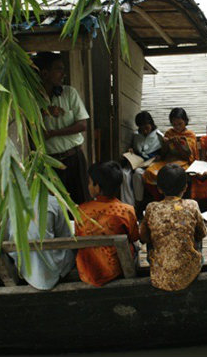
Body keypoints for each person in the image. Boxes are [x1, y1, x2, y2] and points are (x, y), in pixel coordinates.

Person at [140, 164, 207, 291]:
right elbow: (202, 233)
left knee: (151, 235)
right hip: (190, 271)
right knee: (196, 234)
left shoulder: (151, 207)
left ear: (159, 189)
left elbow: (143, 237)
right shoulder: (192, 205)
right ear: (185, 187)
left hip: (159, 273)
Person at [35, 51, 90, 204]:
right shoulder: (33, 98)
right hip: (50, 162)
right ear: (45, 73)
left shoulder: (69, 93)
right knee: (57, 206)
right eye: (59, 69)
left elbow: (82, 125)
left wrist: (53, 133)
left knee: (82, 202)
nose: (63, 74)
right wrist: (43, 113)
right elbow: (25, 124)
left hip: (74, 158)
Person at [76, 161, 140, 287]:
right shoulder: (126, 210)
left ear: (97, 187)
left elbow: (79, 235)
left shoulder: (81, 210)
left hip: (88, 271)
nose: (88, 186)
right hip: (116, 270)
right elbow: (134, 237)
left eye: (90, 182)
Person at [8, 195, 75, 290]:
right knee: (73, 248)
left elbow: (11, 239)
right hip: (54, 271)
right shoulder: (54, 203)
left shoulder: (13, 204)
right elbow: (66, 237)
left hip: (27, 270)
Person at [143, 108, 198, 192]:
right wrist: (166, 144)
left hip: (183, 163)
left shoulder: (190, 135)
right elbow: (163, 154)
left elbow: (188, 157)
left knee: (176, 174)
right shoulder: (169, 133)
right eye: (174, 124)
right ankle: (159, 196)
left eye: (180, 124)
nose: (177, 127)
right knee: (149, 171)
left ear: (185, 121)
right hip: (168, 161)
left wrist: (178, 145)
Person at [121, 111, 164, 208]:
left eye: (146, 128)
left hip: (153, 164)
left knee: (139, 173)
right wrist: (131, 151)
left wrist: (159, 156)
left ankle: (139, 203)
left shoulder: (159, 136)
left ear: (151, 124)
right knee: (129, 174)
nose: (144, 131)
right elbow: (136, 150)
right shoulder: (136, 136)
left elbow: (165, 153)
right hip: (139, 163)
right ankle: (132, 203)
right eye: (141, 128)